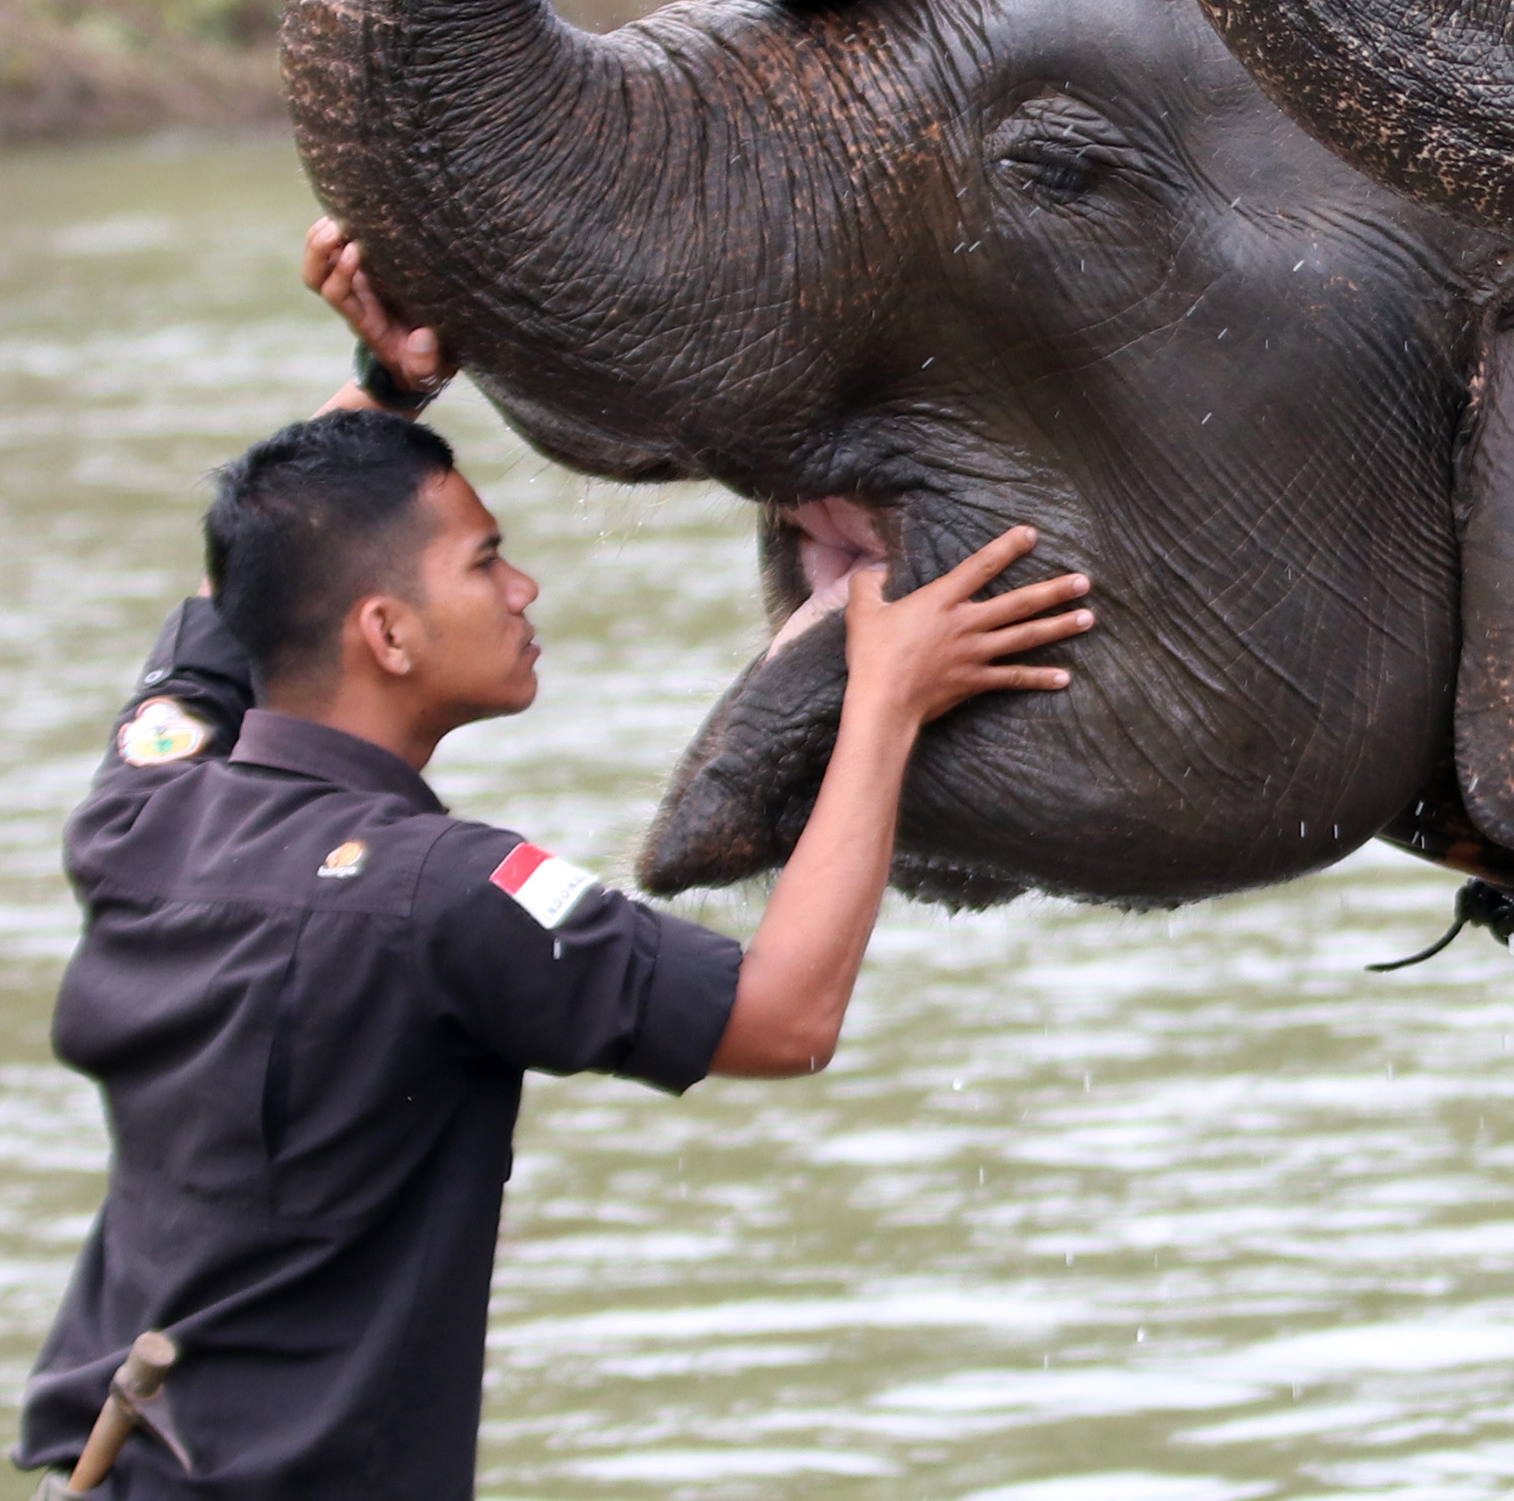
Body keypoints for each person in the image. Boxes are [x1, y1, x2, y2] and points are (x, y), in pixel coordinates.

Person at [14, 224, 1095, 1497]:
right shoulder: (445, 897)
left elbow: (261, 565)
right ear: (387, 634)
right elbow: (784, 1017)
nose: (523, 587)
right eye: (484, 562)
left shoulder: (145, 807)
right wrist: (882, 703)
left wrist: (390, 383)